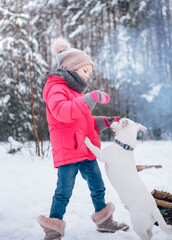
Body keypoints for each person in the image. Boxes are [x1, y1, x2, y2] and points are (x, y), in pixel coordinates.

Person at [37, 37, 129, 240]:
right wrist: (91, 98)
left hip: (86, 151)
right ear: (72, 68)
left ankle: (105, 222)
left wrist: (106, 121)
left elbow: (84, 122)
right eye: (85, 71)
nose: (87, 76)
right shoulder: (56, 88)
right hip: (69, 152)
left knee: (98, 187)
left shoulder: (76, 93)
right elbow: (63, 112)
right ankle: (53, 229)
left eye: (89, 72)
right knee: (63, 192)